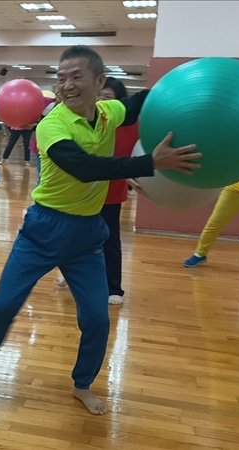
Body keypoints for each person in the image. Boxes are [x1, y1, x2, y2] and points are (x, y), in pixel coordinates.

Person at [0, 45, 201, 415]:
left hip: (88, 234)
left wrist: (184, 83)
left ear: (99, 81)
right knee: (4, 304)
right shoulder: (52, 124)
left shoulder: (108, 112)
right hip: (44, 229)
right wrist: (150, 163)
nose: (67, 85)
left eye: (76, 77)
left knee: (97, 319)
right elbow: (85, 168)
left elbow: (139, 103)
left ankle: (82, 384)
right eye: (61, 78)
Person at [96, 77, 139, 305]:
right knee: (78, 236)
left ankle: (114, 287)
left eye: (107, 97)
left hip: (111, 191)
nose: (102, 102)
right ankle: (72, 273)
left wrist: (133, 174)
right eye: (99, 96)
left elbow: (133, 154)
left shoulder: (131, 125)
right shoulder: (88, 120)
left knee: (110, 240)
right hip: (82, 190)